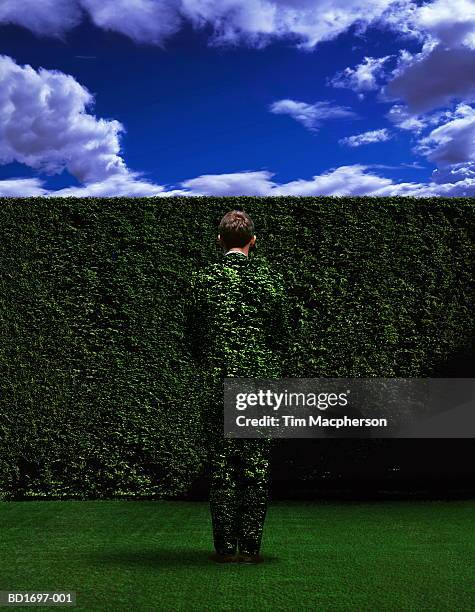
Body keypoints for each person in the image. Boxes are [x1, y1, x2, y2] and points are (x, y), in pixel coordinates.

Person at [185, 209, 290, 565]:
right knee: (256, 466)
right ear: (253, 241)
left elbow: (194, 337)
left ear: (219, 241)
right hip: (258, 382)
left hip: (218, 380)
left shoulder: (202, 281)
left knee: (221, 466)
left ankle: (225, 549)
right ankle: (251, 547)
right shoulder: (270, 280)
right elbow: (281, 335)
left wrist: (212, 362)